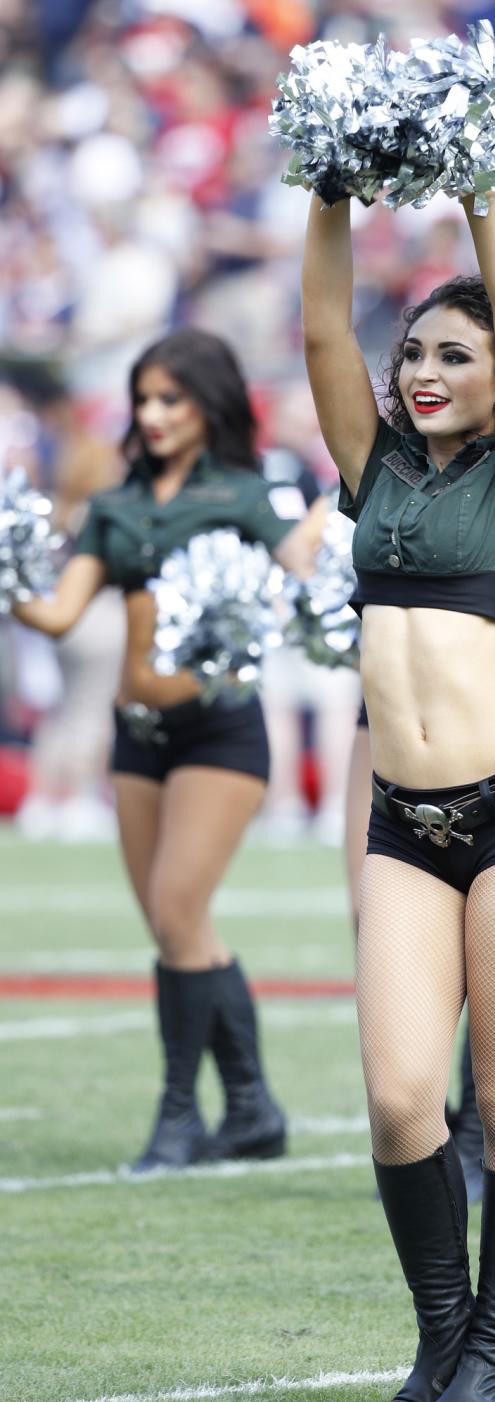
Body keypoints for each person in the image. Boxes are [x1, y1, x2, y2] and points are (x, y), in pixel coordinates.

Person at [302, 190, 495, 1402]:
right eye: (416, 353)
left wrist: (482, 190)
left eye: (453, 356)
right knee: (396, 1098)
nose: (424, 371)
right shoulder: (375, 472)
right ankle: (444, 1341)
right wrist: (329, 192)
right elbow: (325, 331)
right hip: (404, 831)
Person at [12, 329, 325, 1172]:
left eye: (170, 400)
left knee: (180, 913)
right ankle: (253, 1107)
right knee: (173, 925)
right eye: (143, 399)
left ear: (209, 405)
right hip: (137, 738)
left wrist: (343, 499)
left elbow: (307, 571)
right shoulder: (116, 506)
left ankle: (181, 1116)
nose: (151, 415)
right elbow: (56, 614)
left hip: (221, 731)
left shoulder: (248, 497)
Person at [343, 551, 495, 1208]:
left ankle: (475, 1124)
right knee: (366, 907)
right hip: (393, 721)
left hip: (491, 721)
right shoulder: (391, 488)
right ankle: (431, 1123)